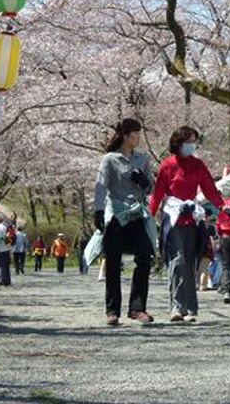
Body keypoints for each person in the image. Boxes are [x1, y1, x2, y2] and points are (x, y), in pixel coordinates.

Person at [149, 125, 225, 323]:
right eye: (189, 141)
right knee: (177, 262)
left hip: (192, 218)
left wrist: (223, 207)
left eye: (194, 141)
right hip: (173, 218)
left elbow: (209, 189)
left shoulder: (198, 165)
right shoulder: (166, 165)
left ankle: (191, 308)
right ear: (178, 142)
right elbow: (157, 194)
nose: (192, 145)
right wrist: (150, 215)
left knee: (191, 262)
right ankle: (176, 306)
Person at [93, 118, 156, 326]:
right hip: (117, 214)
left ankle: (137, 308)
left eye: (139, 134)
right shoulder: (110, 159)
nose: (139, 138)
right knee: (112, 261)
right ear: (125, 136)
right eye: (135, 134)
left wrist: (145, 182)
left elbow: (151, 189)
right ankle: (112, 310)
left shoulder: (142, 159)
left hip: (137, 214)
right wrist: (99, 211)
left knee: (145, 257)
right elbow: (101, 186)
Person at [198, 209, 217, 291]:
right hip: (207, 247)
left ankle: (199, 284)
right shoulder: (210, 226)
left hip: (198, 248)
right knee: (205, 268)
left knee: (199, 267)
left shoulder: (198, 224)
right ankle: (203, 285)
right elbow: (214, 236)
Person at [0, 214, 14, 287]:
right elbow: (8, 239)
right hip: (7, 248)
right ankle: (7, 281)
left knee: (0, 266)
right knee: (6, 266)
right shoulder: (7, 226)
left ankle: (1, 281)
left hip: (0, 249)